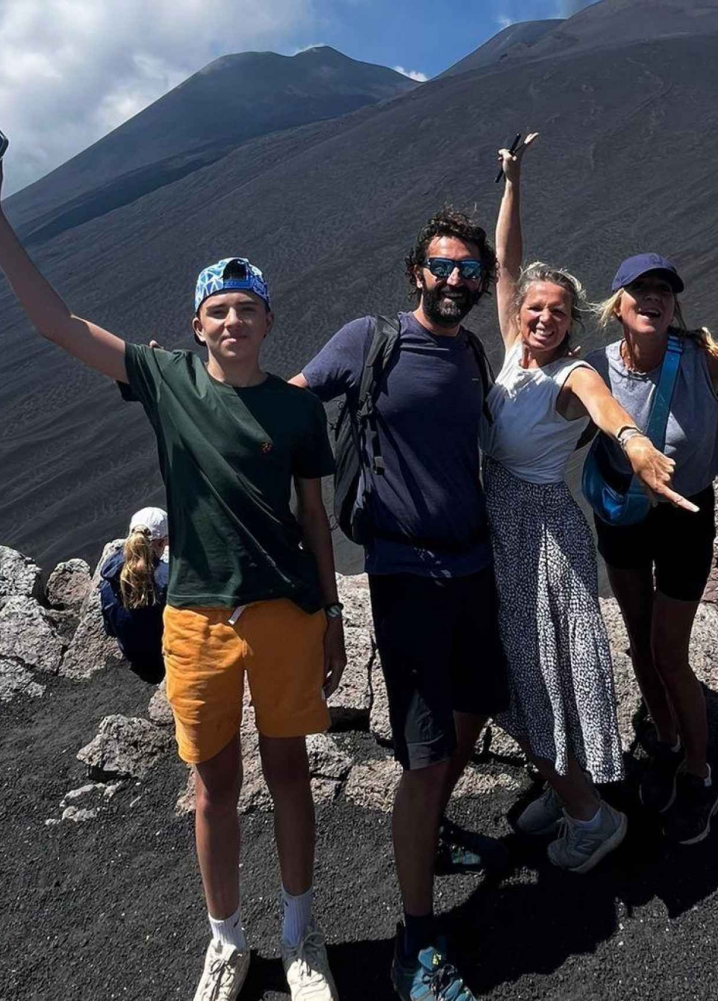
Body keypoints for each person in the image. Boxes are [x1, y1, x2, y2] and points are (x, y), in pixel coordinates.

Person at [0, 154, 346, 1001]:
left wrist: (333, 613)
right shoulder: (167, 381)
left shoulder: (296, 408)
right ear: (197, 325)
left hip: (285, 610)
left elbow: (315, 517)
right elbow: (59, 324)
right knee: (213, 786)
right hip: (197, 615)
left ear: (268, 319)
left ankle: (299, 934)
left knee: (289, 773)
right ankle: (226, 939)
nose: (233, 319)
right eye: (219, 309)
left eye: (246, 307)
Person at [292, 207, 505, 1001]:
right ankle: (414, 940)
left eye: (468, 269)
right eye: (441, 266)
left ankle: (434, 831)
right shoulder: (370, 340)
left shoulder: (472, 351)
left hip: (473, 564)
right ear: (418, 271)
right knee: (423, 753)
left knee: (473, 710)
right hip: (405, 574)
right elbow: (290, 402)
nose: (454, 280)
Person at [483, 134, 684, 873]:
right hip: (504, 523)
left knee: (538, 667)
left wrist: (635, 444)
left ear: (573, 322)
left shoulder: (572, 374)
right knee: (529, 664)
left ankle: (592, 816)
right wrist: (513, 184)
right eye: (536, 308)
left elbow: (606, 408)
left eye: (559, 312)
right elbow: (506, 263)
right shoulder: (514, 350)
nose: (544, 318)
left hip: (538, 531)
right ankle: (559, 780)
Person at [586, 253, 718, 846]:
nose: (653, 297)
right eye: (640, 289)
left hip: (686, 517)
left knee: (667, 650)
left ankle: (698, 772)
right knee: (639, 641)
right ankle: (665, 738)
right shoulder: (595, 368)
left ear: (675, 304)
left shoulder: (703, 358)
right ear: (618, 305)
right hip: (623, 515)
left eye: (664, 289)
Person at [99, 507, 172, 684]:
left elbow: (110, 629)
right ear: (162, 542)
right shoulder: (166, 580)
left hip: (135, 659)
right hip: (163, 662)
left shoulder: (109, 578)